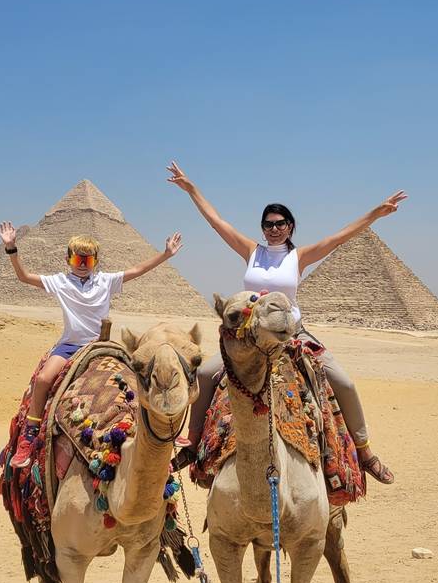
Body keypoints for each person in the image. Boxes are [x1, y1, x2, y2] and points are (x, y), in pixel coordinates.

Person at [166, 161, 407, 483]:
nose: (274, 228)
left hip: (290, 332)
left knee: (345, 382)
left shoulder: (299, 257)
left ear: (291, 226)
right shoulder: (251, 251)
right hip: (250, 333)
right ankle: (192, 442)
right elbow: (216, 221)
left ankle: (364, 452)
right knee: (206, 374)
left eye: (280, 223)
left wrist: (375, 214)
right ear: (262, 227)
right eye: (268, 224)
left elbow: (339, 238)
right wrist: (192, 189)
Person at [0, 220, 183, 468]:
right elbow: (24, 277)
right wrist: (12, 248)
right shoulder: (60, 282)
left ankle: (163, 426)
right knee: (43, 380)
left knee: (138, 378)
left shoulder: (105, 281)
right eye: (78, 260)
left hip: (101, 345)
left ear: (96, 261)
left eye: (88, 261)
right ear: (68, 259)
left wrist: (166, 254)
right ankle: (29, 437)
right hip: (70, 346)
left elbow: (138, 269)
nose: (83, 266)